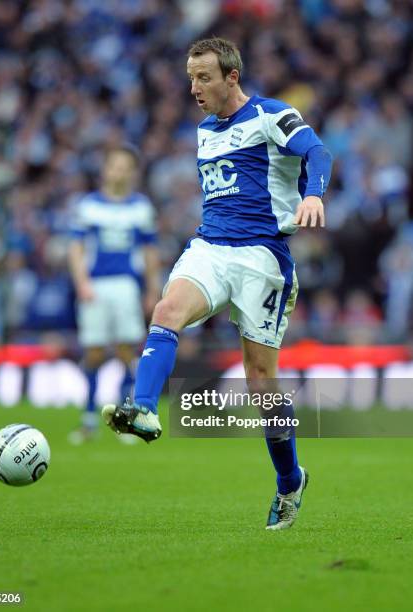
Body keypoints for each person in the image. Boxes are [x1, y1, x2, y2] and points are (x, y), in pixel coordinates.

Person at [102, 38, 332, 530]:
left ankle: (290, 481)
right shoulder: (205, 131)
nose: (194, 88)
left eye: (204, 78)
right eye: (190, 78)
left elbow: (318, 153)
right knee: (165, 312)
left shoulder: (273, 114)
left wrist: (312, 195)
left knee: (260, 382)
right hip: (210, 248)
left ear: (232, 76)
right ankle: (143, 409)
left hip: (263, 257)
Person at [68, 145, 160, 444]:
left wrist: (151, 289)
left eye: (125, 167)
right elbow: (76, 248)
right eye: (114, 166)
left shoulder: (141, 207)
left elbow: (149, 252)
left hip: (126, 285)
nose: (119, 171)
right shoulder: (89, 205)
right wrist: (81, 281)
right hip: (96, 284)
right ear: (105, 170)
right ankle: (88, 418)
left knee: (126, 352)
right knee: (93, 352)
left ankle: (125, 420)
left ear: (132, 172)